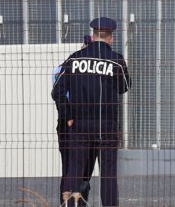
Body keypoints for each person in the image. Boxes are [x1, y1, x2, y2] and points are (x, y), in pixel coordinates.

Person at [52, 18, 130, 207]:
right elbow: (124, 87)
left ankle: (70, 205)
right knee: (109, 174)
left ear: (93, 35)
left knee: (75, 170)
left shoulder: (75, 58)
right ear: (110, 37)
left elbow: (57, 90)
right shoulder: (116, 61)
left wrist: (68, 115)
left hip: (80, 125)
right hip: (107, 126)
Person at [52, 36, 92, 202]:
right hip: (73, 123)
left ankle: (71, 202)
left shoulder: (62, 68)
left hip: (67, 122)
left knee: (71, 168)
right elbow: (60, 94)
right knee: (78, 169)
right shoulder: (71, 69)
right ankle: (71, 203)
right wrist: (69, 116)